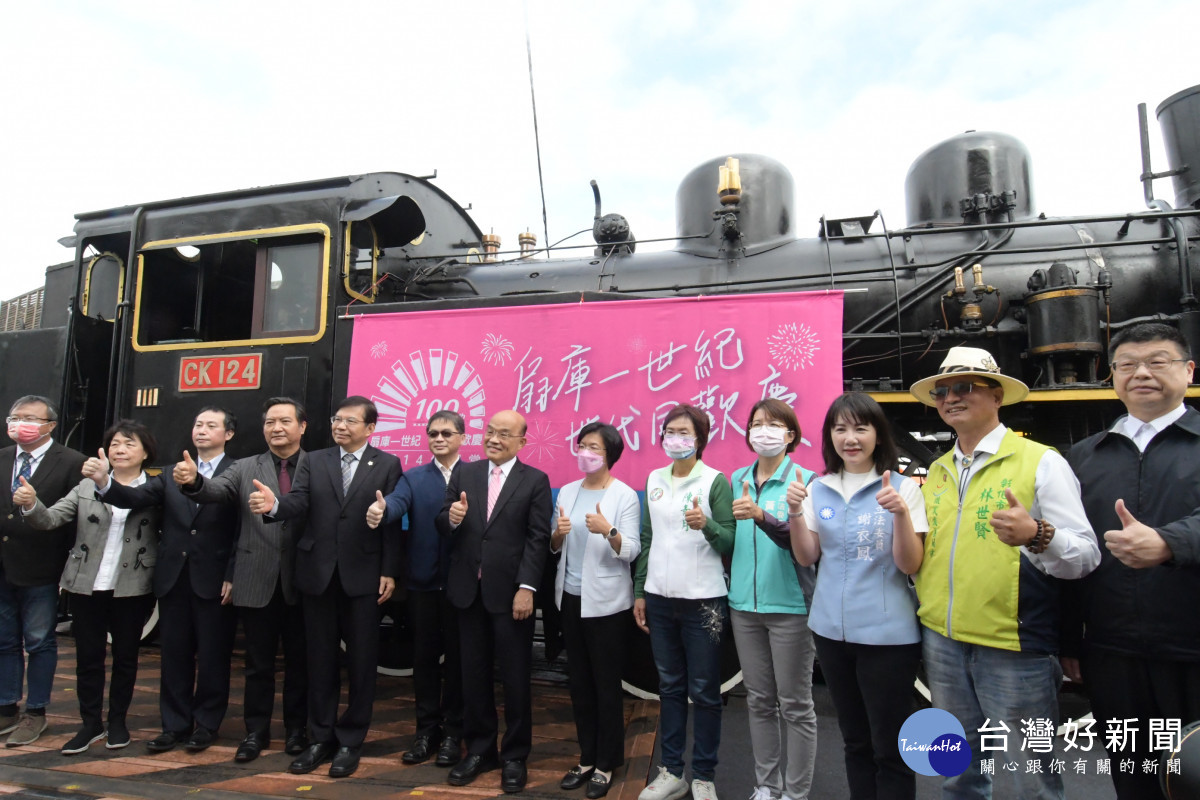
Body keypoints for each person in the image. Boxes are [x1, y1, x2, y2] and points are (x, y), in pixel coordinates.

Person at [909, 346, 1099, 799]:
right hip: (943, 641)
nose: (951, 398)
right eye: (941, 392)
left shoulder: (1041, 461)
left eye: (964, 387)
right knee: (957, 773)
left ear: (996, 396)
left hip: (1013, 646)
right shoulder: (937, 470)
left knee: (1030, 779)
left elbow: (1086, 555)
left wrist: (1037, 533)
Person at [1063, 322, 1200, 800]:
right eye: (1127, 365)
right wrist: (1069, 640)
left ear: (1188, 370)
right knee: (1134, 779)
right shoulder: (1085, 456)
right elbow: (1073, 552)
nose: (1141, 373)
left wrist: (1171, 542)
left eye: (1157, 362)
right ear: (1113, 376)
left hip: (1192, 648)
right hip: (1113, 653)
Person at [249, 396, 402, 779]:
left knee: (362, 662)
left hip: (364, 576)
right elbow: (299, 502)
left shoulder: (387, 464)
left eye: (350, 421)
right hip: (317, 574)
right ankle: (319, 737)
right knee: (319, 661)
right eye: (336, 419)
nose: (340, 426)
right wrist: (274, 506)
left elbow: (391, 523)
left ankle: (351, 740)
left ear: (370, 428)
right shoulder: (315, 460)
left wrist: (389, 570)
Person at [785, 393, 926, 800]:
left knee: (891, 747)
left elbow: (910, 564)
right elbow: (806, 556)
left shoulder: (903, 488)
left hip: (888, 637)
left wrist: (900, 514)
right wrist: (795, 513)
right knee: (855, 741)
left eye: (861, 428)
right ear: (830, 436)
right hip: (831, 632)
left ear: (878, 435)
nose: (851, 438)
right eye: (841, 429)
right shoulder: (819, 488)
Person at [97, 407, 240, 754]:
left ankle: (206, 724)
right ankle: (173, 725)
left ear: (228, 434)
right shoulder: (167, 474)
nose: (201, 430)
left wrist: (233, 574)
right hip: (174, 577)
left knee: (213, 656)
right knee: (174, 655)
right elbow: (133, 499)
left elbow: (242, 530)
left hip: (214, 578)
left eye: (211, 425)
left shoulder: (238, 471)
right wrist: (105, 482)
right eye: (198, 424)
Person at [178, 397, 310, 762]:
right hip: (255, 576)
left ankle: (297, 730)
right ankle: (256, 732)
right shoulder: (245, 466)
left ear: (302, 426)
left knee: (301, 663)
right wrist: (194, 482)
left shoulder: (316, 465)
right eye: (269, 422)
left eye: (284, 421)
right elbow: (216, 491)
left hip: (303, 579)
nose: (276, 428)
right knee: (258, 664)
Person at [16, 420, 160, 754]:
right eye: (114, 444)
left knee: (126, 657)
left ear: (145, 452)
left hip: (132, 585)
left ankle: (118, 722)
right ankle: (90, 723)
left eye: (129, 444)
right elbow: (50, 519)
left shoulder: (155, 488)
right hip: (86, 582)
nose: (120, 450)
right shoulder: (85, 486)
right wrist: (31, 503)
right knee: (88, 657)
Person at [435, 409, 552, 793]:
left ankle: (515, 755)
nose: (494, 439)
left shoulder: (534, 481)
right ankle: (480, 749)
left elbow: (537, 539)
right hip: (468, 593)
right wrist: (452, 518)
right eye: (490, 431)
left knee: (516, 679)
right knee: (473, 676)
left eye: (504, 434)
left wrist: (527, 588)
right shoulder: (465, 473)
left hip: (511, 595)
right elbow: (443, 523)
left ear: (522, 441)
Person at [634, 404, 735, 800]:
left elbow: (730, 539)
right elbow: (647, 539)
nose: (675, 439)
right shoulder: (654, 479)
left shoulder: (714, 481)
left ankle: (704, 776)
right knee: (670, 687)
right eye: (670, 432)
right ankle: (672, 771)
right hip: (659, 598)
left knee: (706, 691)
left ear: (700, 439)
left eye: (684, 433)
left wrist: (706, 525)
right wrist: (640, 590)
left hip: (703, 601)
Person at [726, 398, 818, 800]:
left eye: (773, 424)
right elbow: (729, 540)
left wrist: (763, 516)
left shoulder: (806, 481)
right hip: (743, 608)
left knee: (796, 705)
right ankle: (767, 786)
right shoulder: (736, 479)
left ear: (790, 435)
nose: (763, 431)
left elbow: (808, 548)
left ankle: (796, 793)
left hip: (791, 608)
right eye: (756, 424)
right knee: (759, 702)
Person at [365, 409, 465, 768]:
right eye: (433, 433)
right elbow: (396, 503)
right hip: (423, 583)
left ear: (462, 438)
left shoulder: (474, 476)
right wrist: (382, 511)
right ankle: (426, 731)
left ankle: (454, 733)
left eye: (446, 433)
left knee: (459, 662)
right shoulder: (414, 477)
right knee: (424, 660)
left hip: (462, 586)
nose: (439, 439)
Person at [551, 422, 641, 799]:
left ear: (610, 455)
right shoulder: (568, 491)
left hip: (606, 604)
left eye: (594, 448)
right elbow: (555, 545)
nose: (585, 453)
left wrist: (608, 530)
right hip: (570, 598)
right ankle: (587, 757)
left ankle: (607, 762)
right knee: (579, 683)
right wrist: (558, 534)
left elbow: (631, 551)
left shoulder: (624, 496)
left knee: (605, 685)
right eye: (582, 445)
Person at [0, 395, 86, 747]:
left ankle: (35, 712)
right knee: (5, 640)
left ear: (50, 425)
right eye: (15, 417)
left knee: (39, 641)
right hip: (3, 567)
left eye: (30, 418)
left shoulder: (72, 462)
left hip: (43, 568)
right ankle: (6, 706)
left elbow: (74, 521)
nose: (20, 423)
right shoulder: (3, 457)